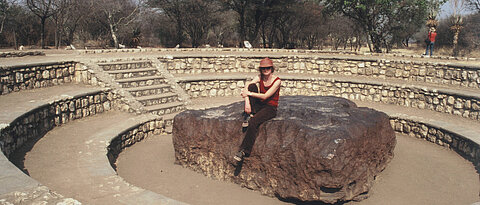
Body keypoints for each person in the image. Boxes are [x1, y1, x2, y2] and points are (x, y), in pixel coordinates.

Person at [234, 57, 281, 162]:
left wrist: (248, 94)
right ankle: (250, 113)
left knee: (254, 122)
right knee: (252, 86)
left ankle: (244, 150)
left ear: (272, 68)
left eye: (268, 68)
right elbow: (247, 86)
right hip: (261, 105)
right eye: (263, 68)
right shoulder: (260, 77)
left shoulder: (277, 81)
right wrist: (247, 101)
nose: (266, 70)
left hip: (270, 108)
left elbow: (265, 96)